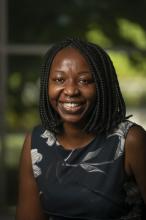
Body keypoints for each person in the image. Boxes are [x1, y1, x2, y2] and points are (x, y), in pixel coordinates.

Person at [16, 38, 146, 220]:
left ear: (102, 85)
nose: (70, 90)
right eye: (59, 79)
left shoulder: (130, 140)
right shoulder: (36, 142)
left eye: (85, 81)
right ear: (48, 84)